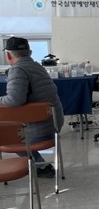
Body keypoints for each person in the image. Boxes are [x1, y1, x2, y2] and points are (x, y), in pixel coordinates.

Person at [0, 36, 64, 178]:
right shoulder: (37, 67)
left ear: (8, 55)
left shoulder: (18, 69)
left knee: (7, 134)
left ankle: (40, 166)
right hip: (54, 124)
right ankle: (40, 165)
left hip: (39, 131)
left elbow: (14, 100)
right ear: (30, 52)